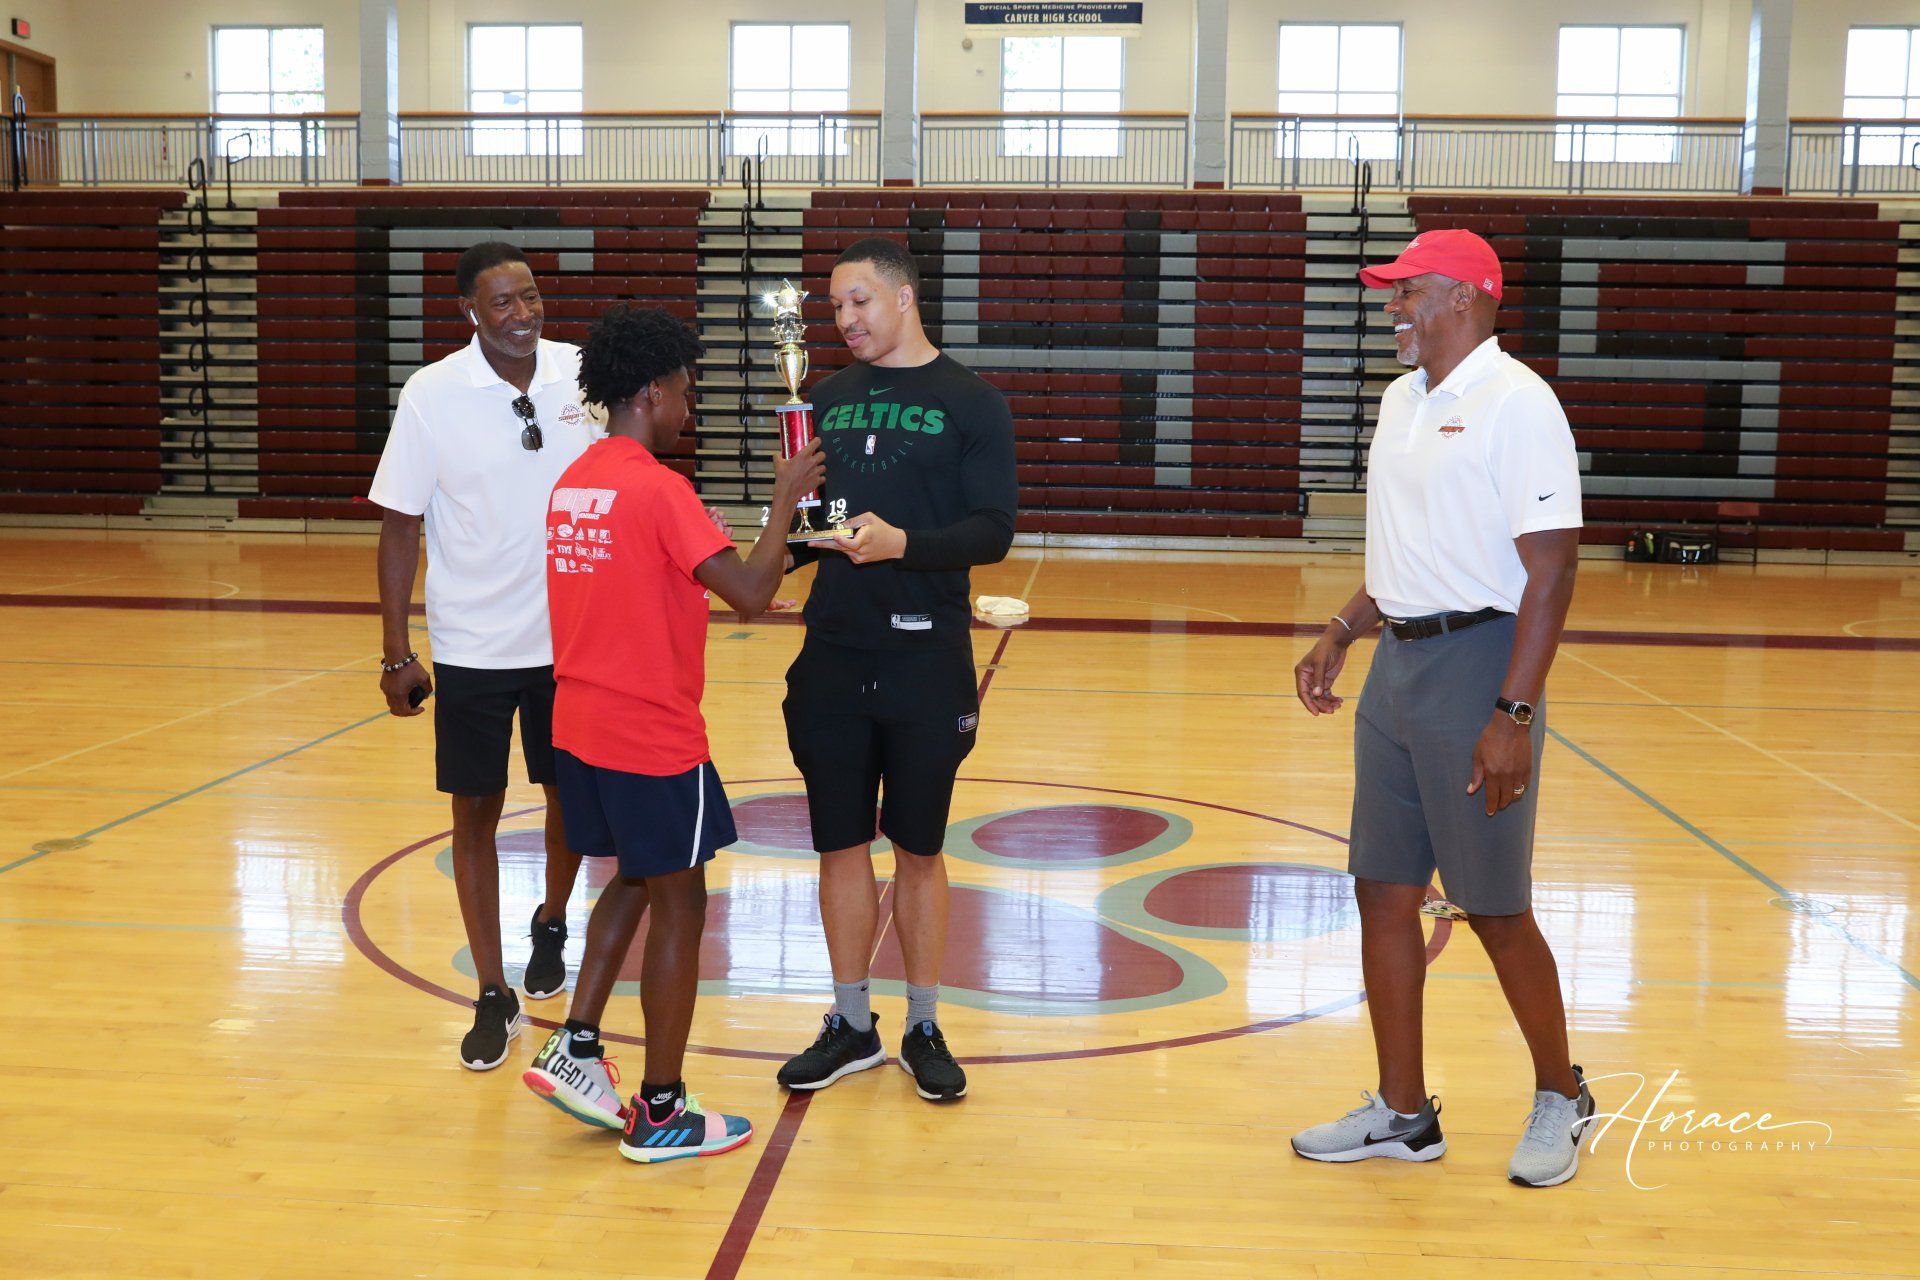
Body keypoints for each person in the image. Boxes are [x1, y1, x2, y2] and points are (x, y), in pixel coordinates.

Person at [1288, 229, 1596, 1187]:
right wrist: (1344, 627)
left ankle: (1563, 1095)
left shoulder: (1519, 403)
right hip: (1398, 666)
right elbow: (1410, 548)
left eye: (1407, 290)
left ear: (1464, 297)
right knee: (1381, 890)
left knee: (1494, 906)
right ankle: (1403, 1113)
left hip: (1478, 667)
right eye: (1392, 293)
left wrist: (1513, 713)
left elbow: (1553, 569)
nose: (1393, 308)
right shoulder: (1401, 400)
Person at [523, 303, 825, 1162]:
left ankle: (578, 1046)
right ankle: (660, 1110)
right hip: (650, 734)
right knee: (681, 905)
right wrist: (785, 500)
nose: (688, 410)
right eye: (685, 393)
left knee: (633, 878)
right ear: (651, 392)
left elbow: (663, 578)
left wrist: (779, 546)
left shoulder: (578, 482)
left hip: (580, 724)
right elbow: (751, 596)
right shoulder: (660, 488)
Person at [773, 237, 1017, 1103]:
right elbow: (807, 526)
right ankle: (851, 1022)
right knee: (839, 844)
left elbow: (993, 529)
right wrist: (765, 550)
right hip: (833, 656)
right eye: (835, 306)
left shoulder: (972, 402)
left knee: (919, 848)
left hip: (925, 657)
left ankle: (922, 1024)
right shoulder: (822, 400)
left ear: (904, 298)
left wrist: (902, 544)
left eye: (860, 302)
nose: (845, 319)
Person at [370, 241, 591, 1070]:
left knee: (570, 797)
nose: (523, 313)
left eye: (531, 296)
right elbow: (400, 526)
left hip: (572, 640)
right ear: (469, 310)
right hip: (472, 645)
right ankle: (492, 990)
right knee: (476, 813)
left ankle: (552, 920)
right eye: (503, 301)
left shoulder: (581, 374)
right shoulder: (432, 394)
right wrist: (396, 653)